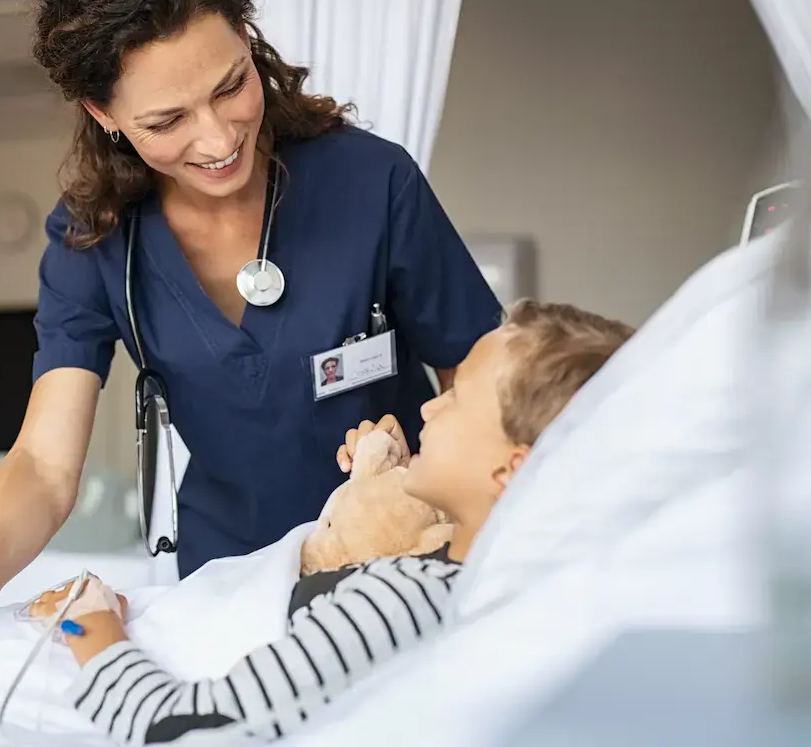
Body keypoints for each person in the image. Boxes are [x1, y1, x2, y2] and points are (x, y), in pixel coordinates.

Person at [0, 0, 500, 694]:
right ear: (106, 115)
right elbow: (42, 465)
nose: (219, 138)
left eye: (231, 85)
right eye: (167, 120)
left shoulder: (371, 182)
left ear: (246, 34)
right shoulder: (94, 241)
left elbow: (484, 379)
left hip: (401, 560)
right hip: (228, 587)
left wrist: (491, 536)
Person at [36, 300, 635, 745]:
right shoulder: (455, 581)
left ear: (512, 471)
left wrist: (85, 624)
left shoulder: (412, 598)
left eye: (456, 401)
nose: (427, 405)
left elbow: (186, 730)